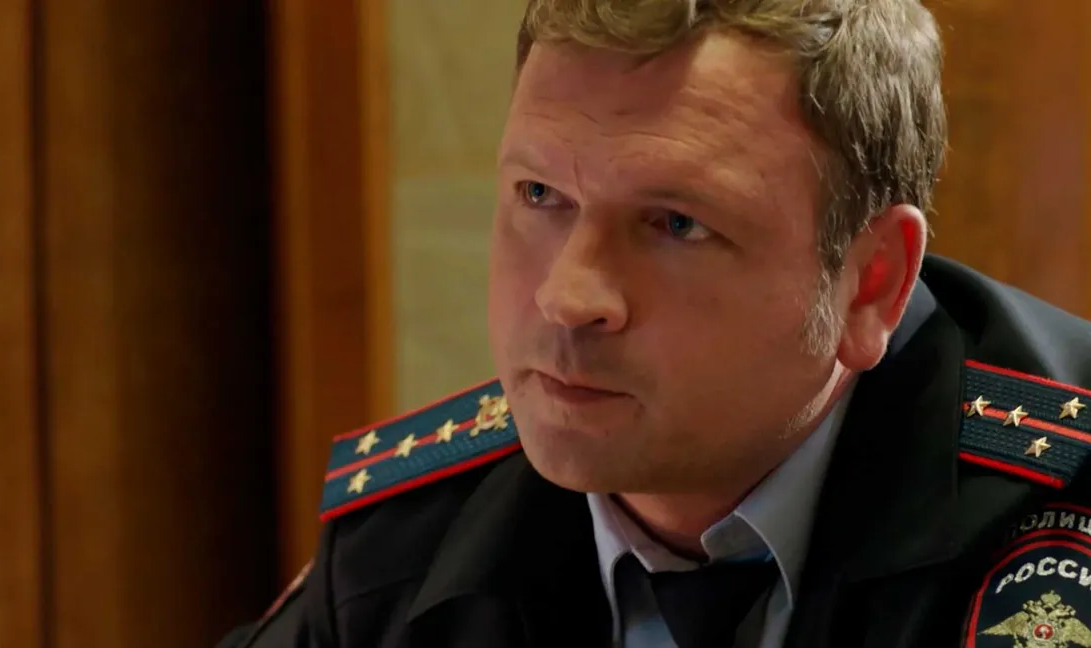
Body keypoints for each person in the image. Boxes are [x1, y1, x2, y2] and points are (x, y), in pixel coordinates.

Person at [220, 0, 1091, 646]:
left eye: (677, 223)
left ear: (871, 284)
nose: (569, 295)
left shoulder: (1060, 506)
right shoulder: (401, 551)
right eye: (540, 195)